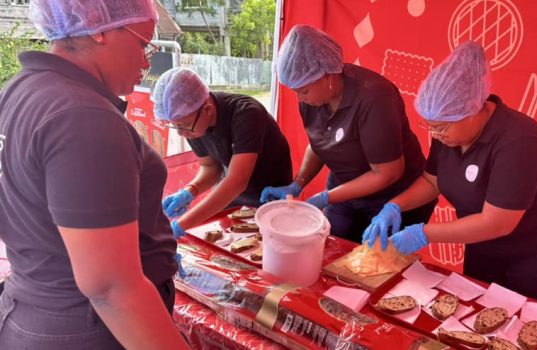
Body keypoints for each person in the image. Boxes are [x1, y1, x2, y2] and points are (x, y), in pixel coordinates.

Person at [0, 1, 190, 349]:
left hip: (32, 307)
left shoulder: (18, 92)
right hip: (90, 328)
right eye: (142, 43)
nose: (146, 61)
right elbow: (112, 289)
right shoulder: (84, 116)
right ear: (100, 29)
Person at [363, 41, 537, 304]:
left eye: (442, 127)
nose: (434, 134)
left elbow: (496, 222)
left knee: (523, 328)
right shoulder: (448, 136)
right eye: (430, 126)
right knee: (477, 315)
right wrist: (394, 206)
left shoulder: (521, 141)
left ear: (473, 110)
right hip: (483, 245)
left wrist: (423, 233)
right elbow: (432, 181)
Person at [261, 25, 436, 242]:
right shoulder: (313, 100)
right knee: (329, 249)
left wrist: (325, 197)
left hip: (392, 197)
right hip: (344, 189)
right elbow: (319, 143)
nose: (299, 98)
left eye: (303, 90)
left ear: (327, 76)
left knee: (374, 267)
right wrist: (298, 183)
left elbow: (387, 172)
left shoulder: (374, 98)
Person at [152, 67, 292, 238]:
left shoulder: (247, 114)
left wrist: (180, 225)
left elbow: (237, 181)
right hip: (233, 196)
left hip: (269, 196)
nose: (181, 133)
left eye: (183, 126)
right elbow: (210, 166)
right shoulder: (192, 121)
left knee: (263, 252)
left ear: (208, 109)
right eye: (176, 126)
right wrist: (190, 190)